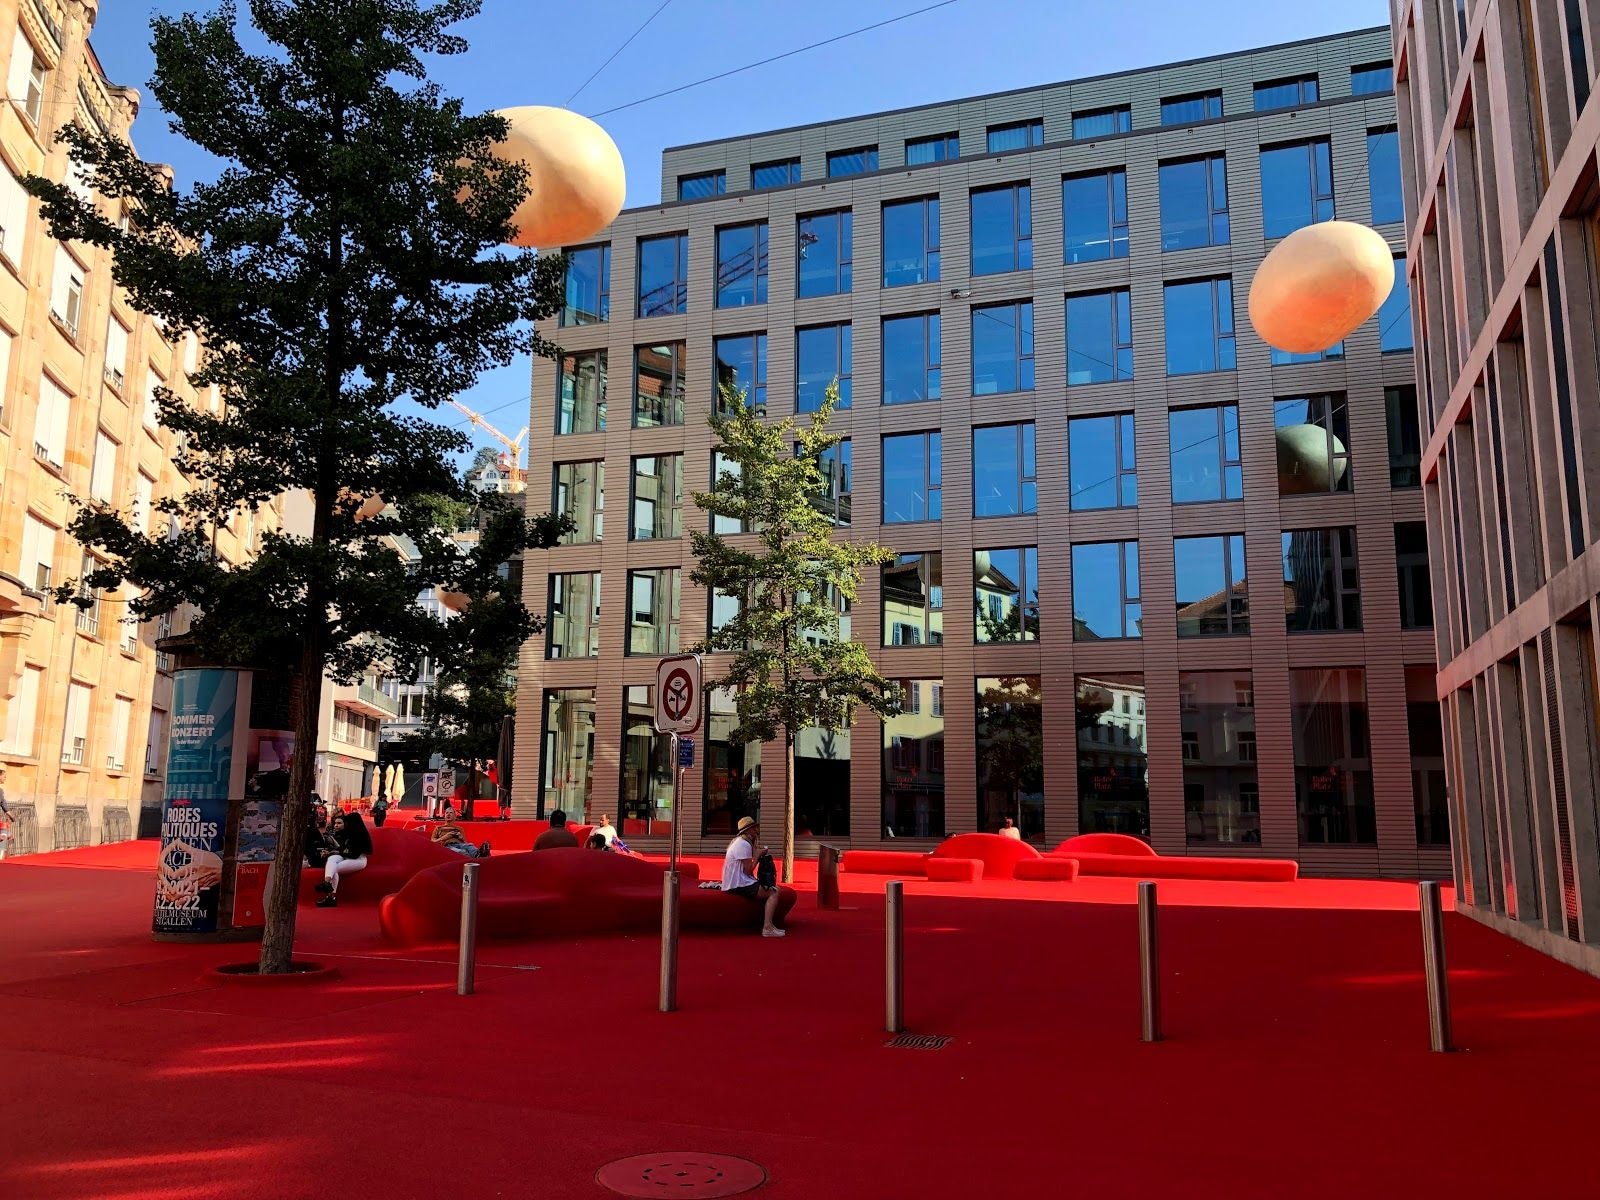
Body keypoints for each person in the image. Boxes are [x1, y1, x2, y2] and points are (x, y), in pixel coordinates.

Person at [722, 816, 786, 938]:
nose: (755, 830)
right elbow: (748, 870)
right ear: (747, 831)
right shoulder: (743, 845)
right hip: (738, 884)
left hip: (737, 881)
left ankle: (769, 926)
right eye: (753, 828)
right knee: (774, 892)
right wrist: (757, 855)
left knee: (771, 888)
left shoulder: (739, 842)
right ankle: (767, 927)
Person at [315, 811, 372, 907]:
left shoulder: (361, 835)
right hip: (346, 856)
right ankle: (327, 884)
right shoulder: (347, 832)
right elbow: (341, 848)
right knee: (332, 859)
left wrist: (339, 852)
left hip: (358, 860)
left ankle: (330, 895)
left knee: (335, 869)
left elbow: (353, 854)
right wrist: (332, 852)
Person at [0, 765, 14, 860]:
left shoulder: (0, 790)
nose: (5, 778)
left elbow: (3, 803)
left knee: (4, 834)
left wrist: (11, 815)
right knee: (4, 834)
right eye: (4, 776)